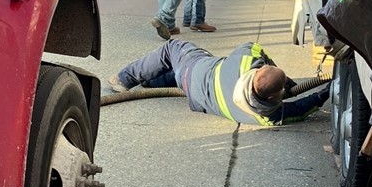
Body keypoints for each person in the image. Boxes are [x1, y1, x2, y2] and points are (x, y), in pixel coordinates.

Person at [108, 40, 330, 126]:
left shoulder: (246, 59)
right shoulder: (267, 116)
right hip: (194, 96)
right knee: (177, 74)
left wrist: (279, 74)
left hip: (194, 67)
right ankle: (150, 82)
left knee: (172, 48)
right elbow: (301, 109)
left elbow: (256, 48)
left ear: (258, 70)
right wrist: (325, 92)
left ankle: (124, 78)